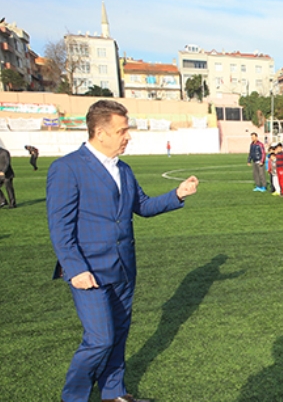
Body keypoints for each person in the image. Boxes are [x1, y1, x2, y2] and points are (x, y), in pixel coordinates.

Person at [46, 100, 199, 402]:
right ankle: (73, 397)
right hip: (89, 271)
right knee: (99, 340)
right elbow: (60, 226)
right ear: (100, 133)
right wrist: (75, 269)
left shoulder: (124, 170)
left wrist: (177, 194)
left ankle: (114, 394)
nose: (127, 136)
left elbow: (141, 206)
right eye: (122, 131)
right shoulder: (67, 168)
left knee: (118, 335)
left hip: (124, 269)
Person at [0, 140, 15, 209]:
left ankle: (12, 204)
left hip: (6, 174)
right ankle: (3, 201)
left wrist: (3, 171)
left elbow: (7, 163)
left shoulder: (4, 152)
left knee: (9, 188)